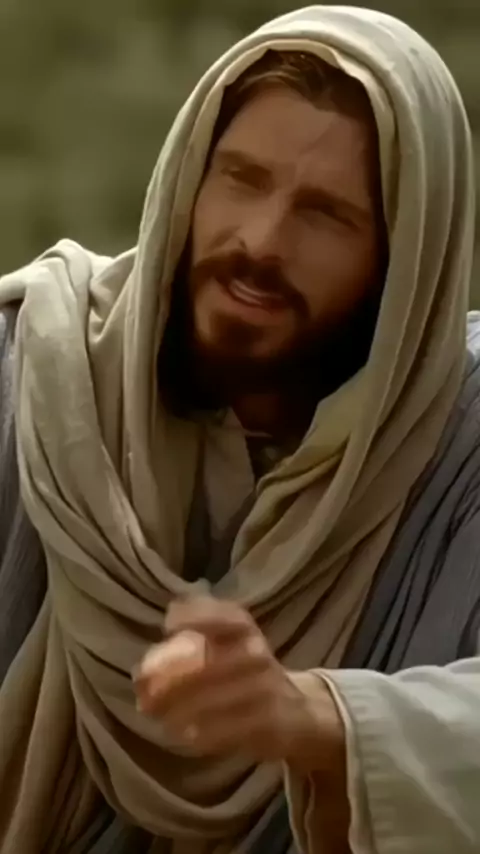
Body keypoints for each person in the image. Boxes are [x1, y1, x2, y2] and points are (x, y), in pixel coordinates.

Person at [0, 5, 478, 854]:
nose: (259, 243)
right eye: (241, 179)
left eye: (326, 215)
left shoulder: (461, 443)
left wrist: (324, 717)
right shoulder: (34, 368)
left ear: (405, 265)